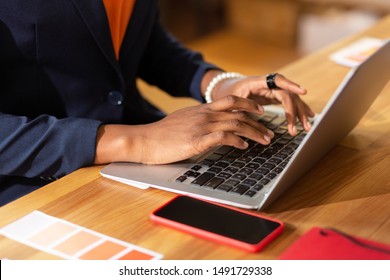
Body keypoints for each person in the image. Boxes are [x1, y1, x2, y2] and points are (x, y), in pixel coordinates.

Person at [0, 0, 314, 206]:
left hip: (140, 159)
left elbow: (141, 42)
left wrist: (220, 84)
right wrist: (139, 141)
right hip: (36, 182)